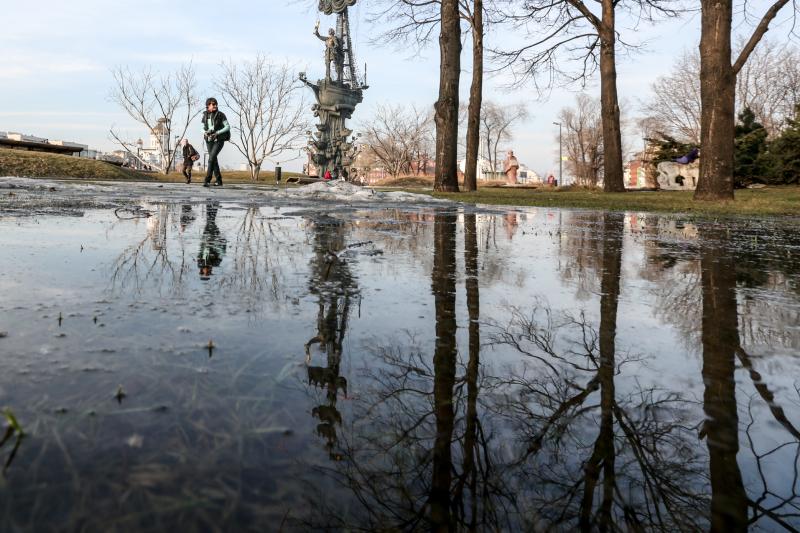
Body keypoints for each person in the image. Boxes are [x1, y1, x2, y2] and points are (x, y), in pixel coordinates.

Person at [201, 97, 231, 187]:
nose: (215, 105)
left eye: (215, 104)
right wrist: (205, 132)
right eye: (212, 104)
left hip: (219, 139)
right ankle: (219, 181)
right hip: (209, 140)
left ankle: (207, 180)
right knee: (213, 160)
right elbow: (201, 128)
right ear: (208, 105)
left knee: (211, 159)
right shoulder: (205, 115)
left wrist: (217, 133)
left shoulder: (221, 115)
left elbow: (227, 127)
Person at [198, 201, 227, 279]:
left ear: (201, 271)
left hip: (205, 239)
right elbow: (222, 252)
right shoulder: (216, 263)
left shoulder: (200, 263)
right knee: (211, 221)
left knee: (210, 221)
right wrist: (218, 242)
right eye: (207, 273)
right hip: (215, 240)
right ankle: (212, 204)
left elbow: (200, 251)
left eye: (204, 273)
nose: (206, 272)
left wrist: (202, 242)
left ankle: (211, 204)